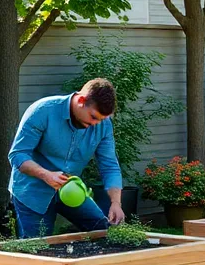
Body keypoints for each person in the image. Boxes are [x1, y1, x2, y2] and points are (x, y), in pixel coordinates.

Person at [8, 78, 122, 239]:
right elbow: (17, 154)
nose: (96, 124)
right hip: (32, 192)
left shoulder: (103, 125)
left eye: (101, 120)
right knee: (36, 249)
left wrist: (116, 203)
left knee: (103, 232)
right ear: (81, 100)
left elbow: (110, 165)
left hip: (71, 189)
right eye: (93, 117)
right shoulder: (43, 111)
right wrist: (46, 174)